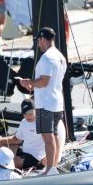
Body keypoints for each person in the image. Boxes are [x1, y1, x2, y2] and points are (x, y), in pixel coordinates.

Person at [31, 27, 67, 174]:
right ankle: (54, 165)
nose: (38, 45)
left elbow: (44, 81)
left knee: (48, 136)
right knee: (55, 135)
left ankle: (50, 169)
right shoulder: (60, 56)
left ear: (42, 39)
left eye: (38, 41)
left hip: (46, 103)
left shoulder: (47, 57)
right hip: (57, 101)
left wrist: (28, 82)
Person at [0, 99, 48, 171]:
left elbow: (50, 141)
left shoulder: (41, 123)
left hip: (36, 158)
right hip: (24, 152)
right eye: (25, 114)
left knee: (3, 163)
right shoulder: (24, 122)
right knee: (1, 145)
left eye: (30, 114)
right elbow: (16, 139)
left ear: (36, 110)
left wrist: (48, 156)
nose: (27, 116)